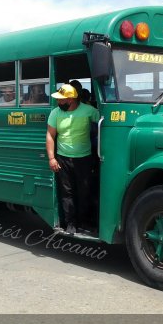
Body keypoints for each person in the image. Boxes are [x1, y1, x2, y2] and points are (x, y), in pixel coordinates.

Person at [46, 84, 100, 235]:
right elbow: (50, 135)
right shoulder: (55, 113)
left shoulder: (89, 111)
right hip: (63, 159)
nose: (58, 102)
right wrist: (52, 158)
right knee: (67, 193)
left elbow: (105, 123)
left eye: (61, 100)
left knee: (85, 191)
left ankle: (84, 222)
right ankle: (71, 223)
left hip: (84, 159)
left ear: (71, 99)